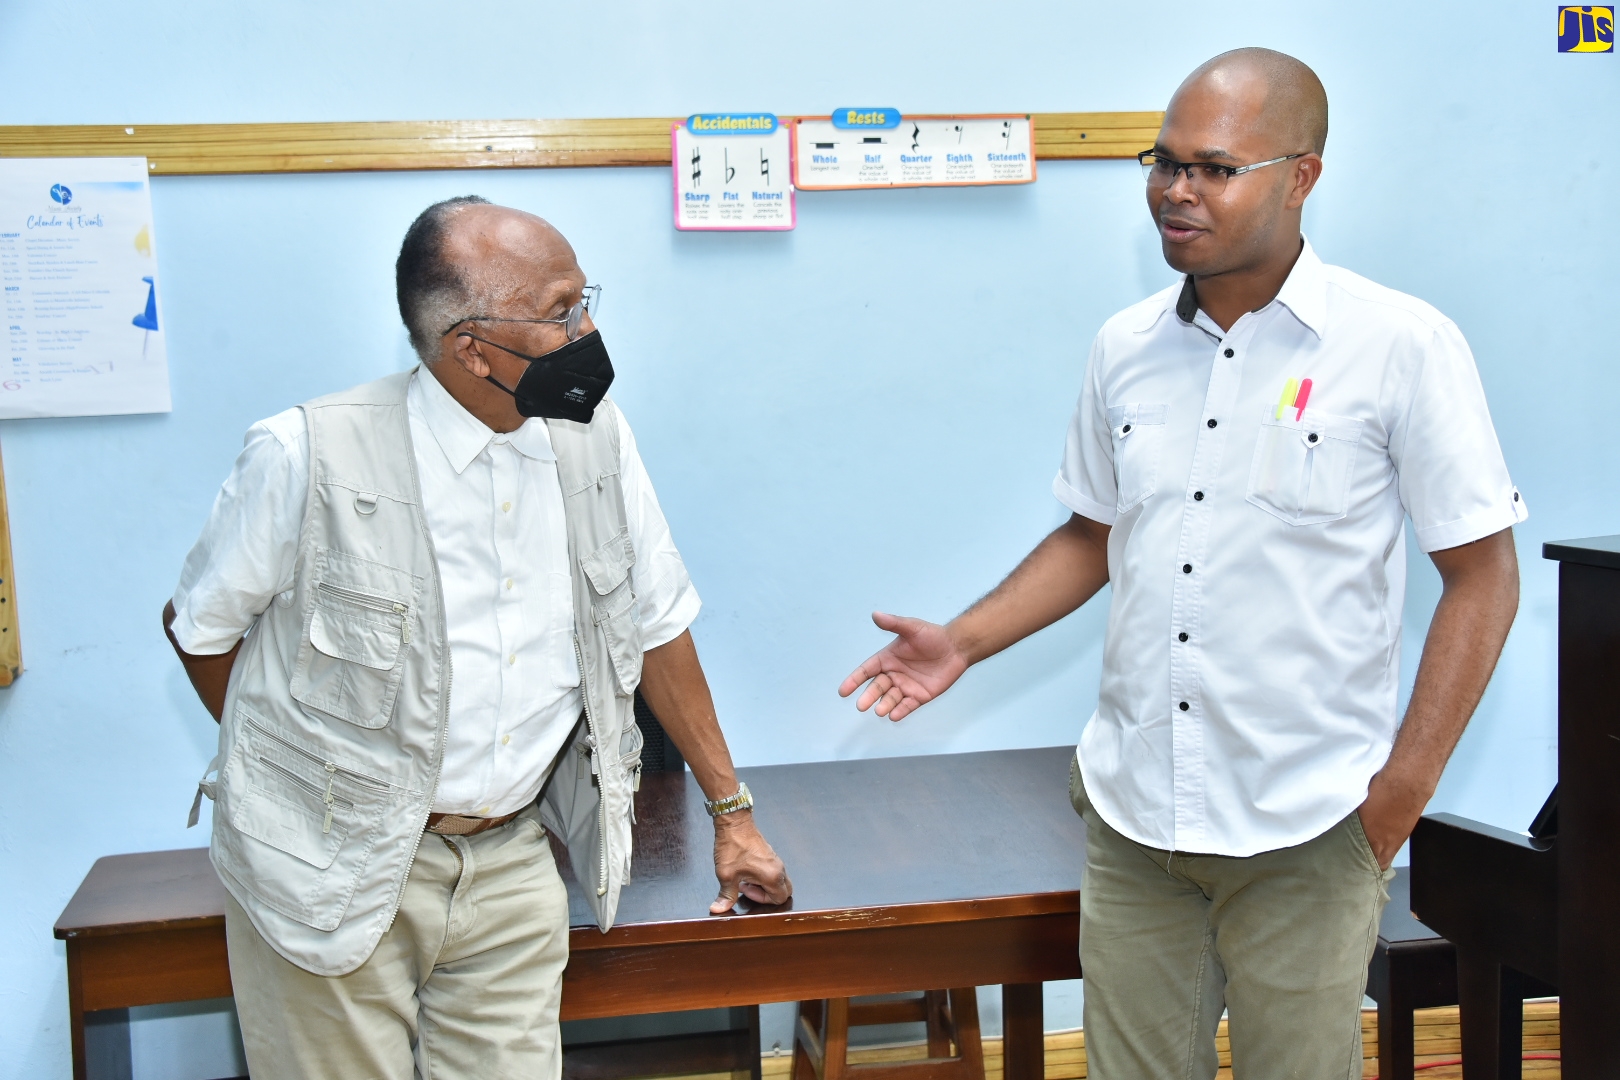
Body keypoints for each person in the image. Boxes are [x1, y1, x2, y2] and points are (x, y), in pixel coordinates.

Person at [840, 48, 1523, 1078]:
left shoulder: (1400, 345)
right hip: (1136, 821)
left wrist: (1402, 791)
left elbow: (1483, 574)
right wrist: (963, 643)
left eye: (1215, 168)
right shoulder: (1126, 346)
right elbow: (1094, 535)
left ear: (1301, 177)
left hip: (1310, 824)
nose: (1176, 190)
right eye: (1164, 163)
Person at [163, 195, 791, 1080]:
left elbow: (656, 625)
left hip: (510, 859)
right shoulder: (306, 454)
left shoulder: (595, 441)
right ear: (472, 348)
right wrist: (299, 783)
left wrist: (733, 814)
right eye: (560, 312)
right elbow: (200, 630)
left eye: (585, 301)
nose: (586, 331)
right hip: (329, 868)